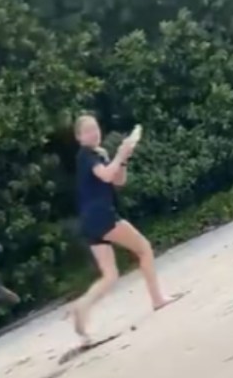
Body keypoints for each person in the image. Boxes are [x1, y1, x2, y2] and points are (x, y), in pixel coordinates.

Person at [68, 114, 178, 343]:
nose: (93, 133)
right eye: (87, 131)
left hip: (90, 222)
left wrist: (124, 157)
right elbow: (107, 175)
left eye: (95, 128)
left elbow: (119, 181)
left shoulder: (98, 154)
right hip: (102, 216)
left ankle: (82, 306)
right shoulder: (87, 156)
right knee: (144, 248)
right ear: (79, 137)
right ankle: (157, 299)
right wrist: (118, 155)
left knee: (110, 275)